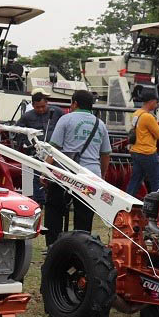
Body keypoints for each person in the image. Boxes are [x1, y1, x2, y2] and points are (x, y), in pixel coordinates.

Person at [45, 90, 111, 244]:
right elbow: (106, 154)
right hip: (90, 175)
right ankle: (81, 247)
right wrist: (101, 175)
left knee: (54, 208)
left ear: (74, 103)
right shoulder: (100, 124)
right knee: (84, 215)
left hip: (66, 173)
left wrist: (45, 172)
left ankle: (53, 245)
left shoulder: (66, 119)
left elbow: (53, 149)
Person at [16, 92, 65, 202]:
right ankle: (39, 201)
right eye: (38, 107)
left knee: (57, 175)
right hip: (37, 151)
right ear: (33, 105)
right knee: (38, 176)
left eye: (43, 106)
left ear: (47, 103)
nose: (41, 109)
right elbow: (18, 131)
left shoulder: (57, 112)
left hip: (55, 151)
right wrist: (28, 145)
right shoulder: (27, 116)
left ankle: (56, 200)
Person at [127, 92, 159, 197]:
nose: (156, 105)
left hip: (136, 150)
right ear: (151, 102)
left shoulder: (136, 113)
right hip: (147, 152)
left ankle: (128, 200)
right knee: (156, 180)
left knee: (136, 179)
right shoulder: (148, 117)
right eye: (156, 103)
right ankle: (157, 203)